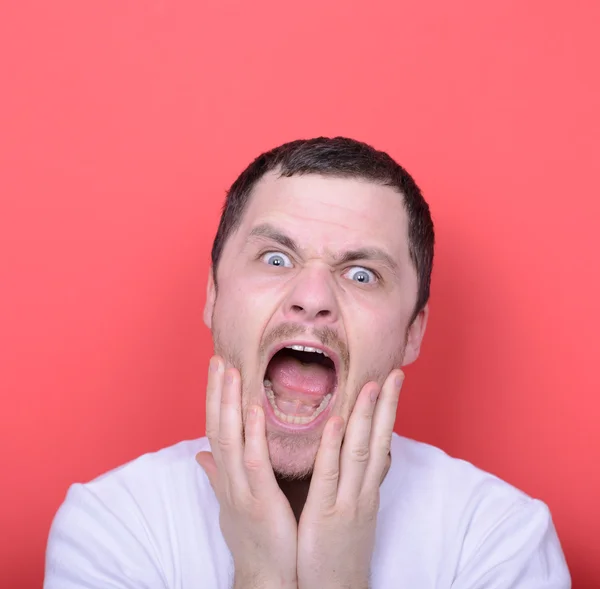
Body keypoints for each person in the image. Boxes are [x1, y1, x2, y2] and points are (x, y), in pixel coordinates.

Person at [44, 137, 571, 588]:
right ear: (212, 294)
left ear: (413, 332)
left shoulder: (499, 538)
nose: (312, 296)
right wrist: (262, 577)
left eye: (361, 274)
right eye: (276, 258)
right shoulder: (113, 526)